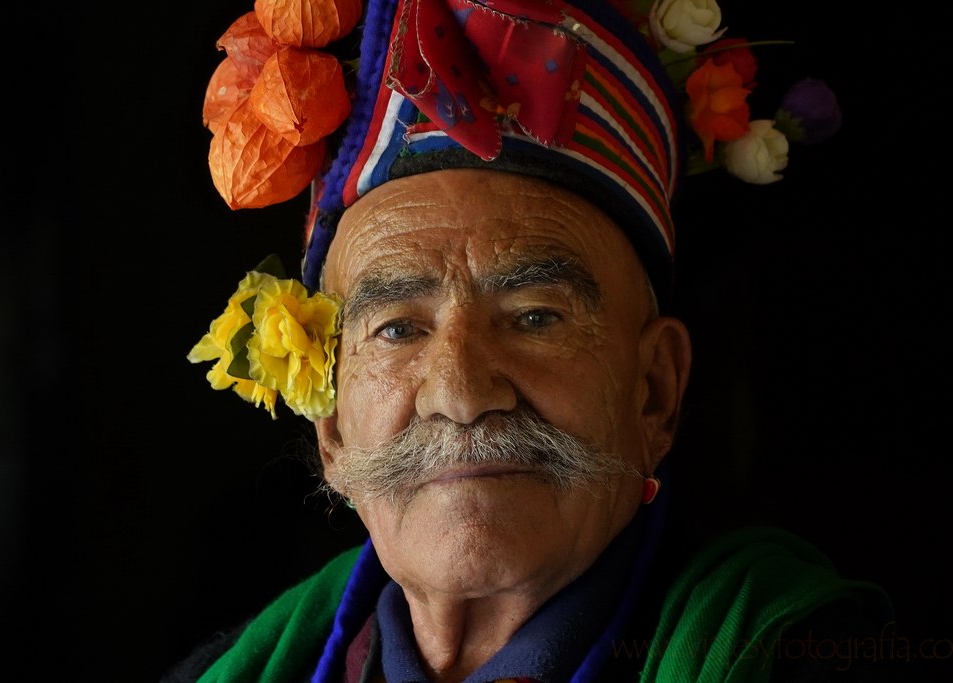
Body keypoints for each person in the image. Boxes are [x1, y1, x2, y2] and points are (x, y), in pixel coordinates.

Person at [169, 0, 893, 680]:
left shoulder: (795, 653)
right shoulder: (252, 665)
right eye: (396, 328)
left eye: (534, 316)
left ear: (654, 393)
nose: (458, 393)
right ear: (330, 430)